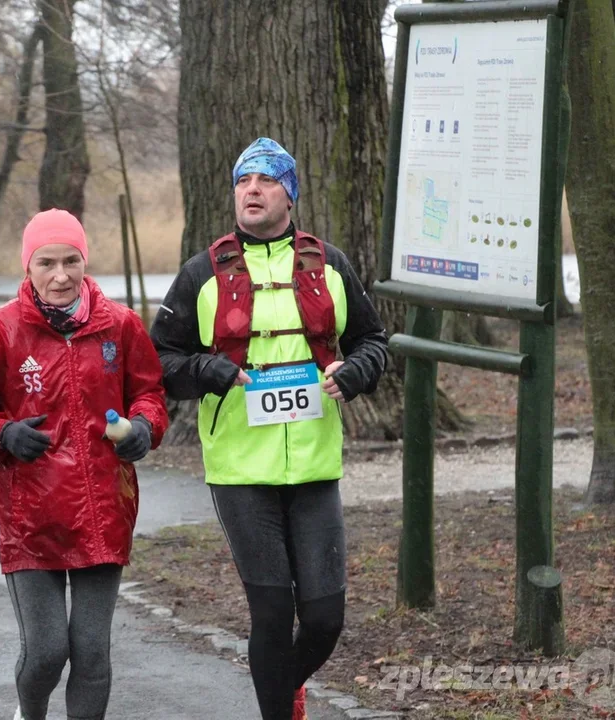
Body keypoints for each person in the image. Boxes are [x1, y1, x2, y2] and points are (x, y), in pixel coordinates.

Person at [149, 138, 388, 720]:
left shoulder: (328, 263)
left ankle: (284, 686)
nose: (251, 190)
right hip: (240, 470)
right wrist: (208, 369)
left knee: (326, 619)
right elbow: (159, 363)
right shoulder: (201, 272)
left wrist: (354, 372)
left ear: (290, 193)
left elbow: (374, 342)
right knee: (273, 617)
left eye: (266, 180)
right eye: (242, 181)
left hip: (314, 463)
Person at [0, 209, 169, 720]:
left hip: (104, 513)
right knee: (47, 652)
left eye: (71, 261)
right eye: (46, 263)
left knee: (93, 653)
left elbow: (149, 395)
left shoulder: (120, 325)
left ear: (85, 261)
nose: (60, 275)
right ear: (27, 268)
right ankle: (29, 714)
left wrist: (143, 428)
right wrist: (2, 433)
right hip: (32, 521)